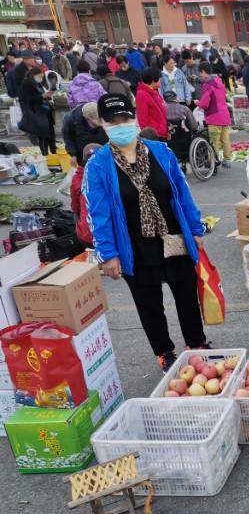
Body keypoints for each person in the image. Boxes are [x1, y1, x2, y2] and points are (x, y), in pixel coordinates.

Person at [84, 93, 209, 372]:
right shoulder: (99, 165)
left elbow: (182, 194)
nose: (121, 125)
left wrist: (194, 228)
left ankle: (197, 344)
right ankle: (165, 353)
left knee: (186, 294)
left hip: (173, 237)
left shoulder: (160, 152)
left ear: (135, 119)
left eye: (126, 119)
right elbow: (99, 214)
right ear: (102, 124)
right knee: (149, 304)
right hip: (135, 245)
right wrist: (108, 254)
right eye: (113, 121)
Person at [197, 61, 232, 168]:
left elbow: (205, 103)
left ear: (204, 72)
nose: (200, 76)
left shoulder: (207, 85)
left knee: (214, 141)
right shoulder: (219, 82)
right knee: (225, 140)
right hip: (225, 116)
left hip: (214, 117)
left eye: (200, 73)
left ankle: (213, 161)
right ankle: (227, 160)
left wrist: (198, 103)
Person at [18, 67, 56, 155]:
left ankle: (53, 152)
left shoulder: (37, 84)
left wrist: (47, 95)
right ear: (33, 75)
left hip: (46, 111)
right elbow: (28, 100)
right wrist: (42, 96)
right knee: (43, 135)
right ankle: (45, 154)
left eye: (42, 77)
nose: (41, 78)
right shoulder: (26, 84)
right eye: (39, 76)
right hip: (37, 113)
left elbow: (41, 95)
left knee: (50, 134)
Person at [70, 142, 101, 247]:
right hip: (104, 236)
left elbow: (75, 209)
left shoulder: (77, 179)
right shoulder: (107, 177)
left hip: (85, 236)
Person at [62, 101, 108, 167]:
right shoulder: (71, 119)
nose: (97, 126)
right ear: (86, 118)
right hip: (83, 152)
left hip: (102, 149)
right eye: (94, 124)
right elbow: (68, 138)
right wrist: (73, 155)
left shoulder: (103, 114)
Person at [135, 67, 168, 140]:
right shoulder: (142, 94)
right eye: (159, 79)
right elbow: (142, 119)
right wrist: (149, 136)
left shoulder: (154, 91)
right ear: (153, 80)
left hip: (162, 132)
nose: (160, 81)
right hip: (154, 135)